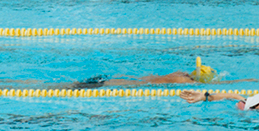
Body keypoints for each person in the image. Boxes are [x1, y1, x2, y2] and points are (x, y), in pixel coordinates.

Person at [71, 57, 220, 88]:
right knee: (70, 88)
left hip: (116, 79)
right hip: (114, 84)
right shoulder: (183, 81)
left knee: (69, 86)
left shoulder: (180, 74)